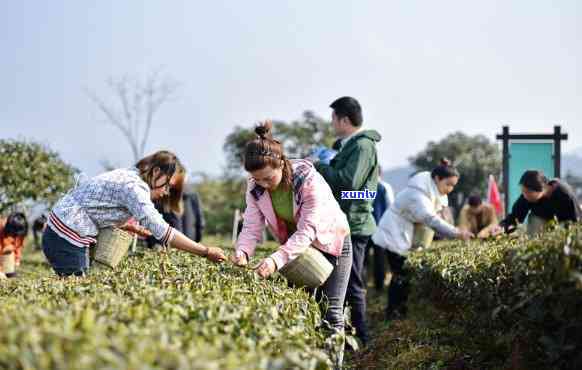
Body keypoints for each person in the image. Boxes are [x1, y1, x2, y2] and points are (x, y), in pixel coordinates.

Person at [232, 121, 351, 368]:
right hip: (296, 250)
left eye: (268, 178)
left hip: (331, 241)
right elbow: (252, 225)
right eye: (257, 179)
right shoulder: (254, 187)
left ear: (281, 164)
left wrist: (275, 260)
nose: (263, 184)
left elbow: (308, 230)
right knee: (306, 305)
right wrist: (242, 252)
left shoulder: (307, 179)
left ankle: (335, 364)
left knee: (331, 310)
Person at [41, 150, 226, 277]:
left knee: (76, 287)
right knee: (76, 293)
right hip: (66, 237)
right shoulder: (135, 188)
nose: (166, 192)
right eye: (167, 185)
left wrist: (128, 226)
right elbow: (162, 231)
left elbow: (97, 207)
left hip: (61, 232)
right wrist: (205, 251)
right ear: (156, 172)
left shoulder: (130, 175)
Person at [312, 96, 380, 346]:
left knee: (351, 284)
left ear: (344, 119)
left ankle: (363, 339)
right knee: (341, 283)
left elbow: (350, 185)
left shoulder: (363, 146)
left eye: (333, 119)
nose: (331, 124)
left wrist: (320, 166)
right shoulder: (349, 145)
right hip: (345, 220)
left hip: (355, 223)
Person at [372, 159, 473, 321]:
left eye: (453, 185)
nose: (450, 189)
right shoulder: (411, 193)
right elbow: (429, 218)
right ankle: (393, 314)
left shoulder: (426, 189)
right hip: (394, 233)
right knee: (400, 275)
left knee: (402, 275)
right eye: (449, 184)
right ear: (438, 179)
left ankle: (397, 312)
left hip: (401, 233)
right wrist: (456, 233)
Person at [491, 170, 581, 235]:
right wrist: (501, 227)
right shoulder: (527, 196)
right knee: (535, 223)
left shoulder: (565, 195)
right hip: (539, 223)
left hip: (564, 225)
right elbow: (515, 217)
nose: (524, 196)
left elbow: (575, 223)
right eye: (523, 192)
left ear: (541, 189)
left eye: (527, 192)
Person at [365, 166, 394, 292]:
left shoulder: (362, 186)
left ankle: (361, 285)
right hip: (380, 228)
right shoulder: (384, 187)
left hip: (364, 228)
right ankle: (379, 287)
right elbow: (391, 208)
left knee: (362, 259)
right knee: (380, 259)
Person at [0, 212, 29, 278]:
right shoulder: (1, 227)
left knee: (11, 275)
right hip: (2, 254)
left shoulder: (21, 228)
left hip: (7, 256)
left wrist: (17, 259)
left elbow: (18, 246)